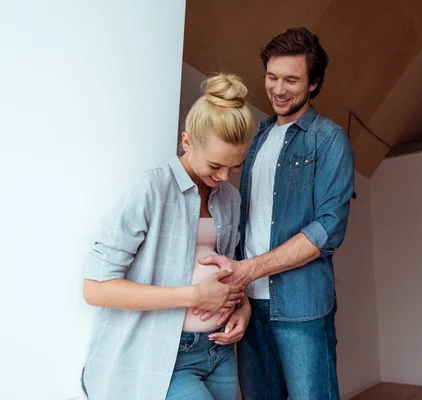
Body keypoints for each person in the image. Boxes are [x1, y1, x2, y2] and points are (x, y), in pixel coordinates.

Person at [198, 28, 355, 399]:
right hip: (249, 307)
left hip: (302, 310)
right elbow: (241, 220)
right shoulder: (257, 137)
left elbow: (329, 229)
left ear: (314, 83)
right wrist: (238, 291)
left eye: (291, 80)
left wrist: (250, 269)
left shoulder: (330, 140)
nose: (278, 89)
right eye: (272, 77)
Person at [80, 74, 253, 400]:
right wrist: (193, 296)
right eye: (216, 165)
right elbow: (95, 288)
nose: (224, 177)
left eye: (235, 167)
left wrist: (242, 310)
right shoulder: (151, 190)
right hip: (167, 355)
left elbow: (228, 272)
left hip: (219, 350)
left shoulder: (230, 198)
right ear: (186, 142)